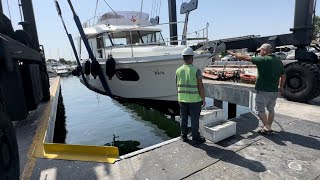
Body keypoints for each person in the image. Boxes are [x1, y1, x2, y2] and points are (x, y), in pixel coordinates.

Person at [227, 43, 286, 134]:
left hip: (263, 90)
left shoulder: (262, 59)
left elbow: (246, 58)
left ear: (265, 50)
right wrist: (281, 87)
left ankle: (267, 126)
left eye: (260, 50)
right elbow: (283, 75)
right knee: (271, 109)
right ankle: (267, 127)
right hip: (274, 90)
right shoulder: (278, 61)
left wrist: (234, 54)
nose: (259, 52)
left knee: (259, 110)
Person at [176, 47, 206, 143]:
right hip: (194, 100)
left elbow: (177, 85)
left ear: (183, 58)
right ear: (192, 58)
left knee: (183, 118)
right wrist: (203, 99)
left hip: (182, 100)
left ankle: (183, 136)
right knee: (194, 119)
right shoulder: (196, 70)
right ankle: (195, 137)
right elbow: (200, 86)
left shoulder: (178, 71)